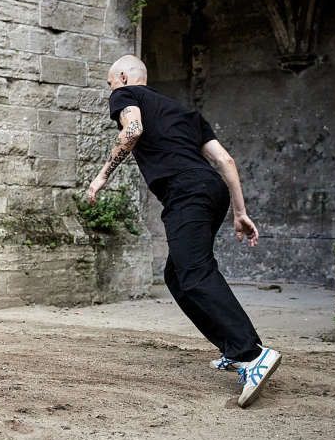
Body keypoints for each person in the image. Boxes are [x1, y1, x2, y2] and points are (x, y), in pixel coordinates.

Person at [86, 55, 281, 408]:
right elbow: (225, 161)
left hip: (186, 193)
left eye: (110, 82)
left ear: (125, 77)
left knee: (194, 271)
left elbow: (132, 131)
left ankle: (252, 355)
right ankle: (233, 349)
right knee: (177, 275)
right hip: (211, 190)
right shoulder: (185, 113)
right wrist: (240, 211)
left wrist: (101, 177)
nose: (110, 91)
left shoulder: (125, 94)